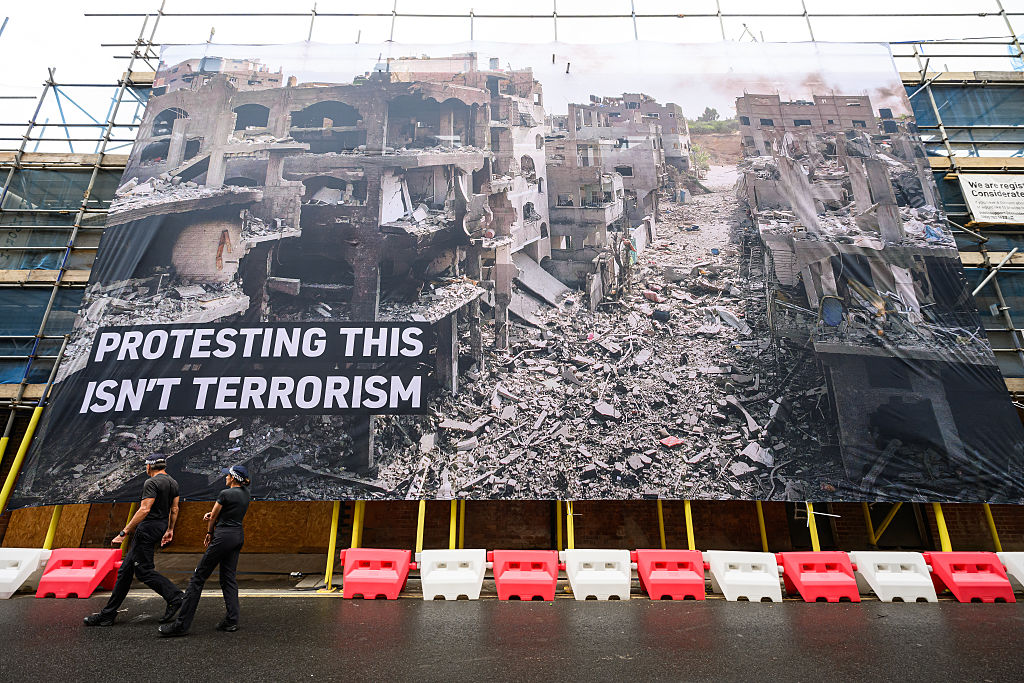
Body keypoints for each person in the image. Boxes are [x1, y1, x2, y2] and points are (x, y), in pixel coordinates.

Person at [84, 454, 184, 626]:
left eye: (146, 465)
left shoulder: (151, 482)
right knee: (125, 571)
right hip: (159, 527)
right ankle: (108, 614)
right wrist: (169, 529)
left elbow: (144, 510)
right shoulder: (173, 482)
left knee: (144, 571)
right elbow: (174, 509)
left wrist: (124, 532)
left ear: (150, 466)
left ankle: (175, 596)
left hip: (147, 529)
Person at [159, 464, 251, 636]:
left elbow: (214, 516)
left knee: (198, 578)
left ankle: (181, 625)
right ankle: (231, 621)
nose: (225, 478)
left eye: (227, 476)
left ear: (233, 478)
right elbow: (229, 511)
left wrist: (209, 531)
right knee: (228, 578)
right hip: (237, 536)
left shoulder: (225, 494)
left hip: (222, 537)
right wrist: (214, 514)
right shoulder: (246, 494)